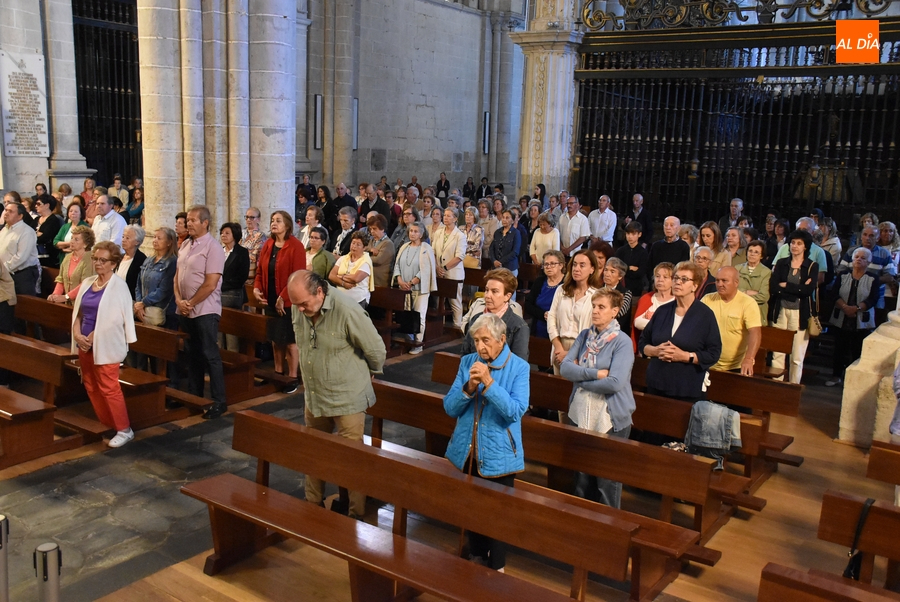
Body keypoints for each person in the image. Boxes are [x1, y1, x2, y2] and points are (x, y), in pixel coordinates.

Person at [288, 270, 386, 518]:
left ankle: (356, 515)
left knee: (351, 460)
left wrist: (369, 372)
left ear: (319, 292)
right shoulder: (299, 307)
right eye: (295, 304)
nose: (299, 310)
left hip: (347, 398)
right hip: (315, 396)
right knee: (315, 454)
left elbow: (376, 349)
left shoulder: (347, 310)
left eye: (304, 304)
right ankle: (313, 506)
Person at [444, 312, 529, 571]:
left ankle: (498, 567)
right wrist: (469, 387)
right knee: (472, 510)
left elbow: (515, 411)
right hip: (468, 450)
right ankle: (477, 558)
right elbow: (449, 407)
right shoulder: (467, 362)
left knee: (497, 516)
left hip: (501, 453)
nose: (480, 346)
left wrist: (490, 384)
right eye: (476, 340)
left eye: (485, 340)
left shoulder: (519, 368)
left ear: (502, 339)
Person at [560, 288, 636, 508]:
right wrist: (594, 375)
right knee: (581, 475)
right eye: (593, 306)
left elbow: (615, 383)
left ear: (614, 311)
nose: (595, 311)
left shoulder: (621, 342)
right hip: (580, 411)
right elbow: (565, 368)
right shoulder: (585, 335)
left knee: (606, 480)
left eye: (601, 307)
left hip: (609, 416)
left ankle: (608, 528)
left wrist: (580, 379)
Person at [71, 241, 137, 447]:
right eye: (95, 259)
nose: (98, 263)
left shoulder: (118, 286)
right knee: (90, 384)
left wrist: (93, 335)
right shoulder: (89, 282)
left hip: (106, 344)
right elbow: (78, 313)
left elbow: (119, 318)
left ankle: (124, 429)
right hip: (84, 343)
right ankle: (107, 422)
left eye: (103, 260)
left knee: (109, 386)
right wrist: (77, 334)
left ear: (113, 263)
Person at [639, 261, 722, 401]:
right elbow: (643, 342)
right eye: (676, 278)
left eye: (684, 279)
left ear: (695, 286)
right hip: (656, 383)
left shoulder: (705, 315)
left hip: (686, 388)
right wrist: (655, 351)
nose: (678, 282)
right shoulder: (662, 311)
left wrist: (685, 356)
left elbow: (713, 353)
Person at [174, 205, 228, 419]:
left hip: (205, 309)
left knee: (210, 354)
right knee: (192, 354)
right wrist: (179, 300)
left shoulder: (213, 247)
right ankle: (195, 397)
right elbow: (177, 276)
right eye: (187, 220)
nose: (189, 223)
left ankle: (219, 401)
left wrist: (191, 302)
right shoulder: (186, 244)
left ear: (205, 222)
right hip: (186, 309)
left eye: (193, 220)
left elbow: (211, 283)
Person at [253, 210, 307, 388]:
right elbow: (260, 271)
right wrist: (256, 288)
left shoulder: (296, 246)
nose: (273, 223)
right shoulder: (268, 244)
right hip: (270, 299)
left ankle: (292, 377)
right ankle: (278, 372)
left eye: (278, 221)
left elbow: (297, 275)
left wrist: (283, 296)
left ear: (287, 225)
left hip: (289, 301)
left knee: (290, 341)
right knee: (276, 339)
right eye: (272, 220)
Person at [770, 229, 819, 384]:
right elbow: (774, 287)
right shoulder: (781, 263)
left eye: (799, 243)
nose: (795, 246)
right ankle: (775, 386)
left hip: (799, 314)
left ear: (805, 246)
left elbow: (808, 291)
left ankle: (793, 387)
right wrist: (797, 288)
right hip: (781, 311)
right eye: (792, 243)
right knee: (777, 353)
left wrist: (786, 286)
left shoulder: (811, 266)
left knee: (797, 356)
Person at [827, 247, 880, 388]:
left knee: (858, 350)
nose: (859, 260)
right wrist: (845, 307)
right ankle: (836, 376)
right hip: (842, 317)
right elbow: (834, 294)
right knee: (839, 349)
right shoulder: (843, 275)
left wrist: (856, 308)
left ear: (868, 262)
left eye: (863, 258)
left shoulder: (873, 278)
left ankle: (854, 381)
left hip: (861, 319)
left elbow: (873, 299)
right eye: (857, 257)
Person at [548, 250, 602, 373]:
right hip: (559, 346)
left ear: (592, 269)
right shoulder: (561, 290)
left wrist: (573, 354)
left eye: (582, 265)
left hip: (583, 349)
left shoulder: (596, 295)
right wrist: (558, 348)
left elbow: (596, 330)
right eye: (574, 264)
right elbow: (551, 318)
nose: (576, 269)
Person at [701, 267, 761, 376]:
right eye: (717, 280)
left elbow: (755, 332)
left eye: (724, 281)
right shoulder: (707, 299)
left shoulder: (748, 303)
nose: (719, 284)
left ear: (736, 282)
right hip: (707, 363)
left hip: (734, 367)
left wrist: (749, 359)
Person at [461, 268, 529, 360]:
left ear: (507, 296)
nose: (487, 295)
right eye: (486, 290)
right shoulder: (476, 319)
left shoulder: (519, 326)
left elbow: (519, 365)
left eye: (494, 291)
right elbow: (465, 355)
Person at [393, 221, 438, 353]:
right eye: (411, 231)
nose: (412, 234)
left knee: (419, 316)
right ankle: (408, 339)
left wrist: (412, 282)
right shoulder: (404, 247)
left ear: (422, 233)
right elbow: (397, 265)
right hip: (404, 288)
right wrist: (400, 280)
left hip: (420, 289)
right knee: (407, 315)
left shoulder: (426, 248)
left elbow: (426, 268)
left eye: (416, 231)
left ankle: (418, 344)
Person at [134, 227, 178, 330]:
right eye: (154, 237)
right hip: (143, 309)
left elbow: (165, 289)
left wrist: (144, 303)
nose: (155, 240)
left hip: (162, 311)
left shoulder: (172, 262)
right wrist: (139, 303)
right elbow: (139, 283)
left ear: (169, 242)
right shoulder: (149, 260)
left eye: (159, 238)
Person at [433, 207, 466, 328]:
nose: (445, 218)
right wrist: (437, 267)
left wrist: (445, 268)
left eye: (448, 216)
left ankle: (458, 326)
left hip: (453, 272)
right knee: (438, 300)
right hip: (439, 271)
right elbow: (433, 251)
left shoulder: (459, 236)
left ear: (455, 218)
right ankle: (438, 326)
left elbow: (459, 257)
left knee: (455, 301)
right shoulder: (438, 232)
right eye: (444, 215)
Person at [219, 222, 250, 352]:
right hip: (217, 294)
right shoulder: (219, 251)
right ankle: (219, 358)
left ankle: (232, 356)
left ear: (235, 235)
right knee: (218, 331)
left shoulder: (241, 253)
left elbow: (241, 278)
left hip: (232, 294)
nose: (223, 235)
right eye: (222, 233)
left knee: (230, 331)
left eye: (227, 233)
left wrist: (219, 285)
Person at [631, 262, 675, 352]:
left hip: (669, 349)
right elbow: (637, 322)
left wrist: (649, 323)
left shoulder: (677, 301)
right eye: (657, 276)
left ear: (673, 280)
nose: (660, 280)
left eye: (665, 277)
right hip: (645, 348)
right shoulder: (646, 298)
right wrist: (661, 326)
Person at [524, 250, 566, 339]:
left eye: (552, 264)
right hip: (539, 327)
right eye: (546, 264)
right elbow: (528, 305)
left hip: (561, 329)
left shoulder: (567, 283)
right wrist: (543, 314)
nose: (548, 267)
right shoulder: (539, 281)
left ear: (561, 265)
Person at [0, 203, 40, 296]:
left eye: (11, 211)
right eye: (6, 210)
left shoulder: (27, 231)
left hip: (22, 275)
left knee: (24, 306)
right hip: (5, 274)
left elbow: (21, 257)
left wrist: (3, 269)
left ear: (20, 216)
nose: (6, 213)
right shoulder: (4, 229)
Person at [48, 226, 95, 304]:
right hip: (68, 303)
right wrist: (55, 295)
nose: (72, 241)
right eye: (72, 238)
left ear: (85, 244)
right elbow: (61, 279)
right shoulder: (67, 257)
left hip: (83, 304)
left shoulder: (90, 259)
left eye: (76, 239)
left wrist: (66, 297)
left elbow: (86, 284)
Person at [329, 231, 373, 308]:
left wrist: (341, 276)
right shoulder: (343, 258)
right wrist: (343, 283)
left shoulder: (366, 261)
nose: (354, 246)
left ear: (364, 247)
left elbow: (356, 279)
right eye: (353, 243)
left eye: (358, 244)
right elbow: (331, 275)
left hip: (358, 300)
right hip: (340, 298)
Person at [737, 240, 771, 326]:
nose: (752, 254)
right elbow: (733, 291)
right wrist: (747, 292)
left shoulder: (766, 272)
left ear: (762, 256)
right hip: (738, 311)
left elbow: (764, 296)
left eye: (756, 252)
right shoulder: (737, 269)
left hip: (757, 312)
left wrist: (741, 294)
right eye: (750, 251)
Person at [615, 221, 649, 300]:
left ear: (639, 234)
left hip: (636, 289)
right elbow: (616, 269)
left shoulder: (643, 253)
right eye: (628, 234)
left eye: (633, 234)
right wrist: (629, 268)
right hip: (620, 289)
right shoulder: (621, 251)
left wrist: (624, 271)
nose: (630, 237)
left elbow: (641, 273)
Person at [117, 225, 147, 300]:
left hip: (130, 300)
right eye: (123, 237)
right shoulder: (119, 257)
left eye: (127, 238)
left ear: (137, 242)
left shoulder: (141, 260)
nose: (123, 240)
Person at [364, 214, 394, 288]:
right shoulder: (371, 241)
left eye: (374, 229)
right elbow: (363, 250)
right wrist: (370, 250)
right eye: (370, 229)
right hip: (369, 280)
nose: (372, 231)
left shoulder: (388, 243)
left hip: (380, 283)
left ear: (382, 229)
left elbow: (378, 260)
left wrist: (363, 257)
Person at [240, 206, 268, 288]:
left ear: (258, 219)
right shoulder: (240, 233)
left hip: (251, 275)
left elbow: (254, 256)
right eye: (247, 217)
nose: (248, 220)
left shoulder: (260, 236)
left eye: (252, 217)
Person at [489, 209, 521, 275]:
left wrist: (501, 261)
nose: (504, 220)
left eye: (507, 218)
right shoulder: (497, 232)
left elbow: (515, 252)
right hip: (497, 267)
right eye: (503, 217)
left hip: (510, 267)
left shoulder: (516, 233)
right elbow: (492, 248)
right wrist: (494, 260)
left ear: (512, 220)